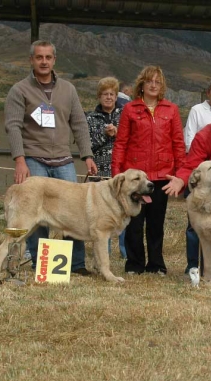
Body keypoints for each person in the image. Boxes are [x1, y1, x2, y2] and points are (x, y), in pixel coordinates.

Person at [5, 40, 97, 276]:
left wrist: (87, 155)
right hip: (34, 159)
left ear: (54, 60)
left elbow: (78, 123)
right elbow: (13, 126)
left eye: (48, 57)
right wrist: (19, 159)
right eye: (39, 57)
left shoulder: (68, 89)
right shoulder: (19, 90)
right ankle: (40, 265)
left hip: (64, 161)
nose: (43, 61)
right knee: (35, 214)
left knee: (74, 213)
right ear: (31, 60)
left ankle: (76, 265)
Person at [111, 65, 186, 275]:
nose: (153, 85)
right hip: (134, 178)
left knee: (156, 223)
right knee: (134, 223)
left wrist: (180, 175)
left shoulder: (171, 110)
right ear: (141, 84)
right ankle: (134, 264)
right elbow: (121, 142)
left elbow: (178, 143)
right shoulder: (130, 109)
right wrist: (117, 173)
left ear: (162, 86)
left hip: (162, 176)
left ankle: (156, 265)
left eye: (157, 82)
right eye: (149, 81)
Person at [182, 77, 211, 274]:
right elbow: (189, 138)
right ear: (207, 93)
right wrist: (203, 167)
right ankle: (193, 266)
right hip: (203, 173)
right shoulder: (196, 110)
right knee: (195, 224)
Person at [86, 76, 126, 258]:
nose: (108, 97)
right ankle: (104, 252)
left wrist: (118, 133)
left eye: (112, 94)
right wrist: (105, 134)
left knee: (125, 211)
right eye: (104, 94)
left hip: (123, 172)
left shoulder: (125, 114)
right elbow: (88, 144)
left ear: (117, 96)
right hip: (100, 172)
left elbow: (131, 139)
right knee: (103, 214)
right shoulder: (91, 118)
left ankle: (126, 252)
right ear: (99, 96)